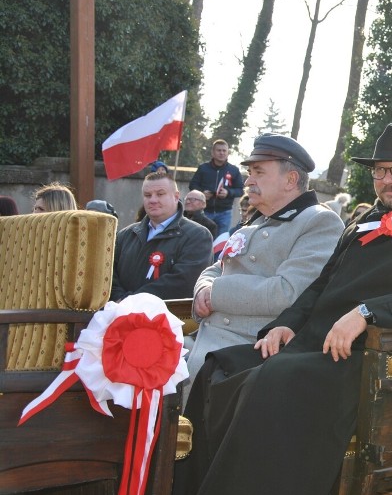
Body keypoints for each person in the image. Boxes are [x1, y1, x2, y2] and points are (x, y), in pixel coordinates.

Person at [172, 123, 392, 495]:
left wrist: (369, 313)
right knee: (220, 368)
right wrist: (285, 323)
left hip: (366, 358)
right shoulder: (365, 221)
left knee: (272, 383)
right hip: (313, 343)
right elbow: (321, 285)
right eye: (380, 170)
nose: (387, 179)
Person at [186, 134, 344, 387]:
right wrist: (203, 289)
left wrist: (214, 294)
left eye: (258, 172)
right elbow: (218, 267)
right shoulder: (257, 220)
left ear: (291, 180)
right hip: (205, 336)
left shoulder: (318, 221)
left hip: (246, 348)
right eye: (250, 172)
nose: (248, 180)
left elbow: (288, 292)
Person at [110, 173, 213, 302]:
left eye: (160, 194)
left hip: (169, 319)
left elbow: (183, 281)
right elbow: (108, 274)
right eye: (148, 195)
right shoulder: (125, 235)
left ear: (176, 197)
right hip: (120, 315)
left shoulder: (198, 236)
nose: (153, 200)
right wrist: (119, 298)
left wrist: (131, 302)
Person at [188, 138, 245, 234]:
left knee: (221, 242)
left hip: (225, 213)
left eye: (224, 150)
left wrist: (228, 193)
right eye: (219, 150)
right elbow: (193, 185)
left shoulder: (234, 170)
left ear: (227, 153)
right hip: (205, 211)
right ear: (213, 152)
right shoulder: (203, 168)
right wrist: (202, 193)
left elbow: (240, 190)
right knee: (202, 236)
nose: (222, 153)